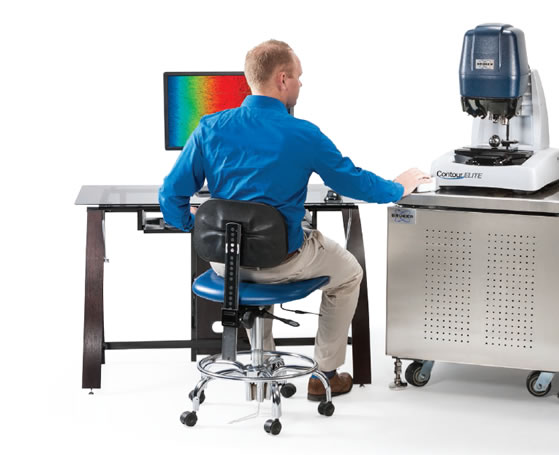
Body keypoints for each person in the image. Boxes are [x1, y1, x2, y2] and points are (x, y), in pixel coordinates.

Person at [159, 39, 430, 401]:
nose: (301, 83)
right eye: (299, 76)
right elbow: (353, 182)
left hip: (226, 261)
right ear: (282, 79)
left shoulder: (210, 127)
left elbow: (170, 194)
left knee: (252, 256)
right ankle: (324, 375)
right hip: (281, 260)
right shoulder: (303, 134)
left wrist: (194, 224)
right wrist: (398, 187)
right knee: (349, 272)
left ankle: (264, 370)